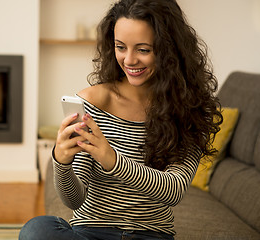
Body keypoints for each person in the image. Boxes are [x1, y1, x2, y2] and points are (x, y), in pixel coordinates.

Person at [20, 0, 222, 239]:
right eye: (120, 47)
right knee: (37, 230)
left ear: (170, 50)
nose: (129, 60)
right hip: (90, 232)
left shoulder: (190, 109)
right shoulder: (93, 102)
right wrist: (61, 163)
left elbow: (174, 190)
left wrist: (112, 159)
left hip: (150, 234)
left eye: (143, 49)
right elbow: (74, 200)